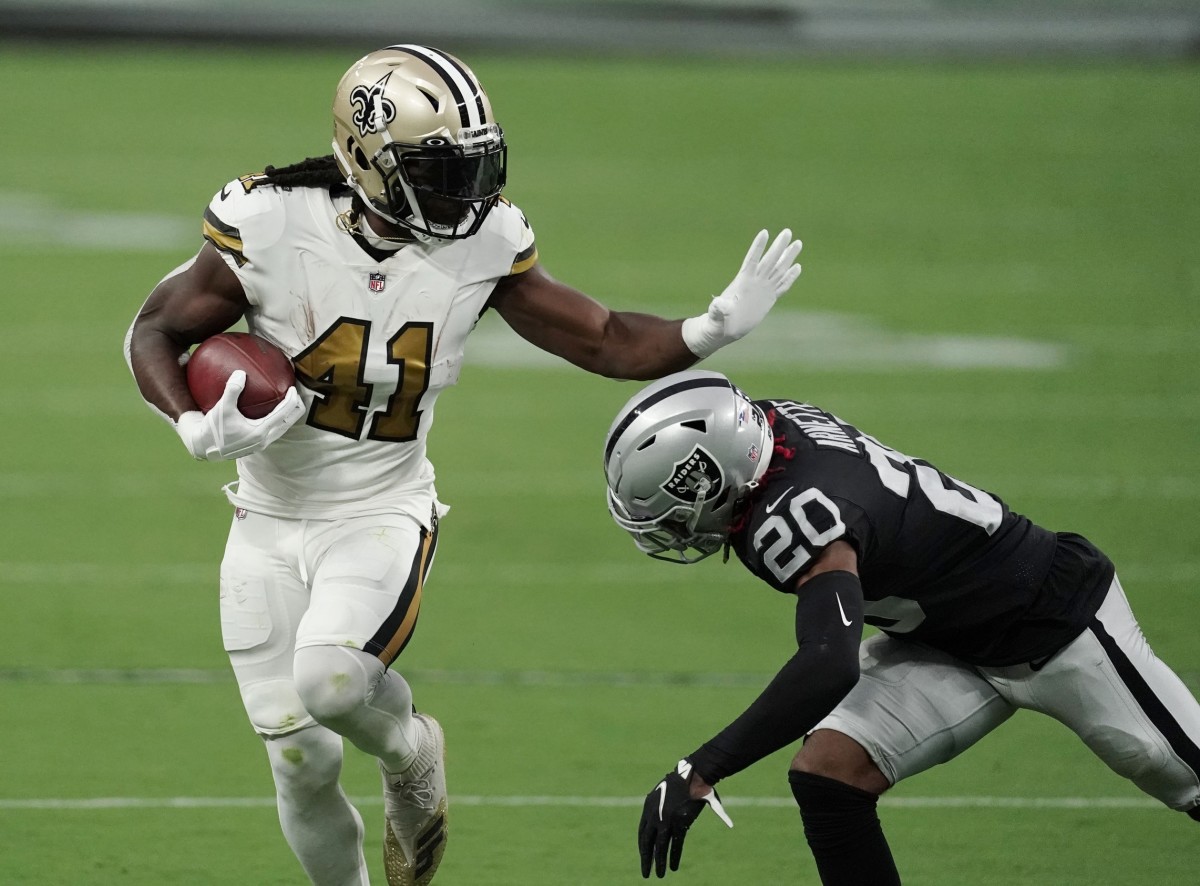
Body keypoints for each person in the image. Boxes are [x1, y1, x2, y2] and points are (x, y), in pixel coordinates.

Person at [123, 46, 802, 886]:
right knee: (298, 761)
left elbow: (600, 338)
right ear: (367, 159)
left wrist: (709, 329)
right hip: (265, 517)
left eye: (473, 165)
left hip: (380, 509)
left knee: (331, 683)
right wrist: (191, 422)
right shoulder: (269, 219)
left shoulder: (485, 240)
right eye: (438, 169)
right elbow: (155, 329)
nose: (467, 191)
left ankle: (412, 753)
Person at [602, 369, 1200, 882]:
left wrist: (701, 768)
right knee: (830, 775)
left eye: (671, 512)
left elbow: (828, 661)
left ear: (714, 476)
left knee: (1183, 776)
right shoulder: (770, 431)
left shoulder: (794, 515)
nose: (673, 530)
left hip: (1055, 621)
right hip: (946, 638)